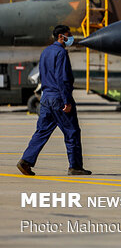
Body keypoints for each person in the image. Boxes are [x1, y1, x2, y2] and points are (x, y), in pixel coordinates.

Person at [17, 25, 91, 176]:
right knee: (72, 132)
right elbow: (62, 79)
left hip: (46, 98)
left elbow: (44, 75)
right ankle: (75, 166)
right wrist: (67, 101)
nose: (70, 38)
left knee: (42, 132)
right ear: (60, 37)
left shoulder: (45, 52)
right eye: (68, 35)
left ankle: (25, 161)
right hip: (58, 97)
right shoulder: (61, 53)